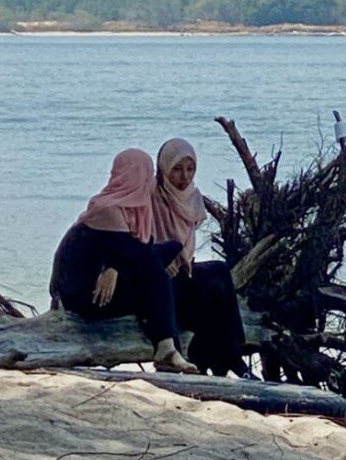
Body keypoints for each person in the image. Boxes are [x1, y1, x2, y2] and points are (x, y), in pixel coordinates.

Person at [49, 148, 198, 373]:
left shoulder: (133, 210)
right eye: (147, 174)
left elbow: (136, 251)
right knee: (156, 275)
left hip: (104, 287)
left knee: (168, 263)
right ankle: (167, 349)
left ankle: (171, 349)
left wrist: (113, 268)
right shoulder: (107, 209)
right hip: (83, 296)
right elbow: (137, 253)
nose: (150, 181)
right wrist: (115, 267)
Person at [152, 137, 248, 377]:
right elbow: (143, 240)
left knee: (220, 270)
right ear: (164, 168)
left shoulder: (192, 197)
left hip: (184, 270)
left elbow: (186, 245)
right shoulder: (152, 197)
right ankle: (232, 360)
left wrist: (182, 259)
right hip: (161, 280)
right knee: (215, 292)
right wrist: (164, 260)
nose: (185, 177)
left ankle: (232, 355)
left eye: (190, 169)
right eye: (177, 169)